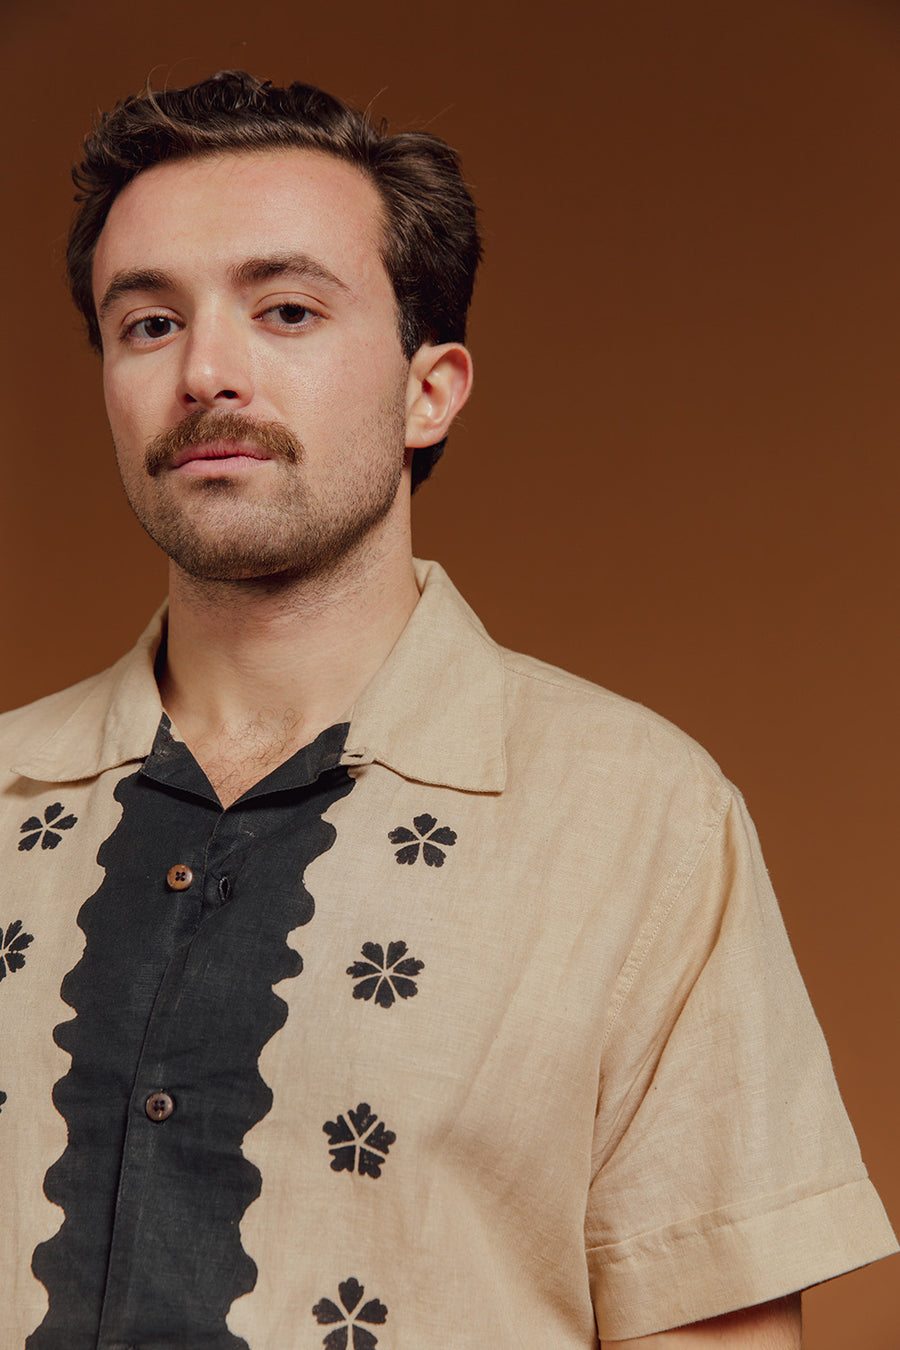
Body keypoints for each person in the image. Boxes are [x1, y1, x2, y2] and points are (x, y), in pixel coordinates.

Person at [0, 71, 895, 1350]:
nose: (206, 371)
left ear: (432, 388)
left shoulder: (637, 820)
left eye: (288, 309)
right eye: (148, 323)